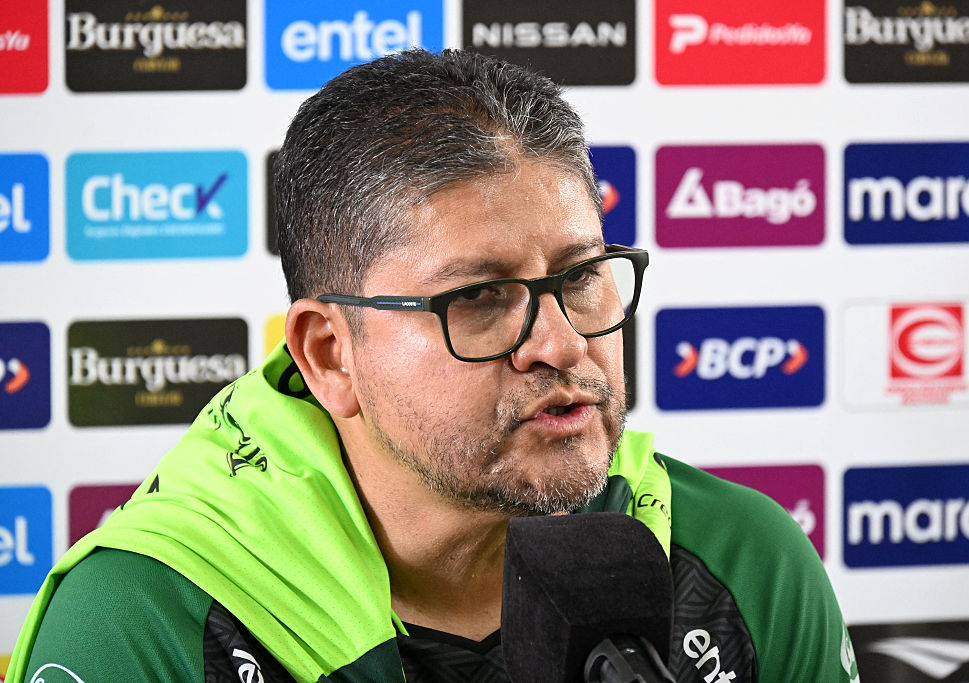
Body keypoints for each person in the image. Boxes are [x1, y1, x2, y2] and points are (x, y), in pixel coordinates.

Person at [8, 49, 858, 683]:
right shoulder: (140, 620)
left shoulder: (743, 559)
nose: (560, 343)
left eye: (582, 275)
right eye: (482, 297)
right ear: (330, 354)